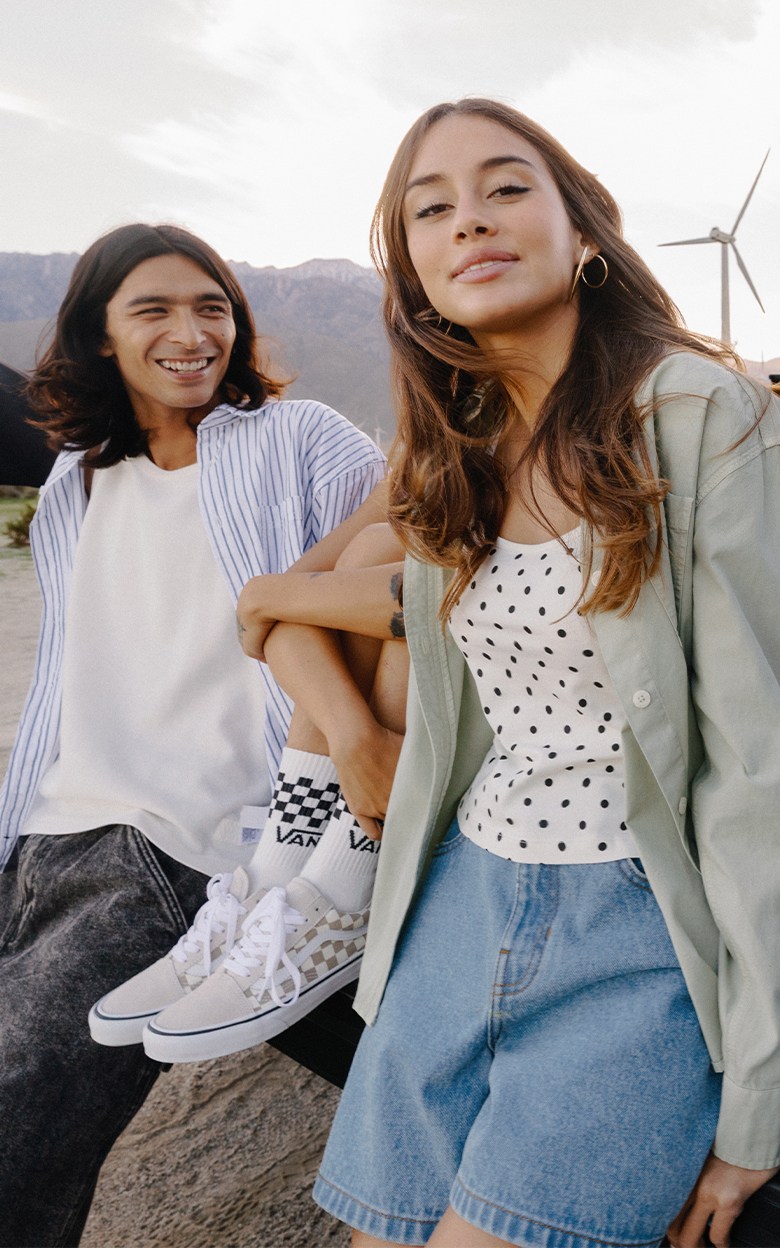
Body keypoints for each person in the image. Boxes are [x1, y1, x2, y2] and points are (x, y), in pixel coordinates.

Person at [307, 99, 780, 1248]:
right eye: (432, 208)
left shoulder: (694, 414)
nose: (469, 218)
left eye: (508, 187)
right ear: (414, 275)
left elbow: (757, 771)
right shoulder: (448, 445)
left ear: (584, 238)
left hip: (636, 928)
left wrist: (759, 1100)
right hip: (459, 902)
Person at [0, 222, 386, 1247]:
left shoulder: (300, 437)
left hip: (184, 843)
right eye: (154, 310)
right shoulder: (70, 491)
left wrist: (341, 727)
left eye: (211, 306)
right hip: (41, 837)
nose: (191, 330)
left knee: (18, 1112)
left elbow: (417, 541)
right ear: (99, 337)